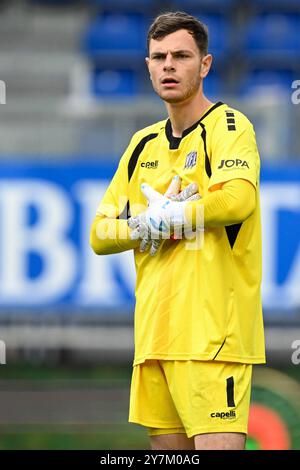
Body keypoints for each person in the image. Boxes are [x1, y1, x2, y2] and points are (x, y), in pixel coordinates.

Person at [90, 11, 265, 450]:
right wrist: (144, 224)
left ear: (204, 64)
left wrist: (173, 218)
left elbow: (236, 201)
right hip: (154, 339)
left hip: (212, 339)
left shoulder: (230, 127)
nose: (169, 65)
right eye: (159, 56)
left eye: (181, 56)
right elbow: (98, 233)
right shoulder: (141, 144)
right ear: (147, 65)